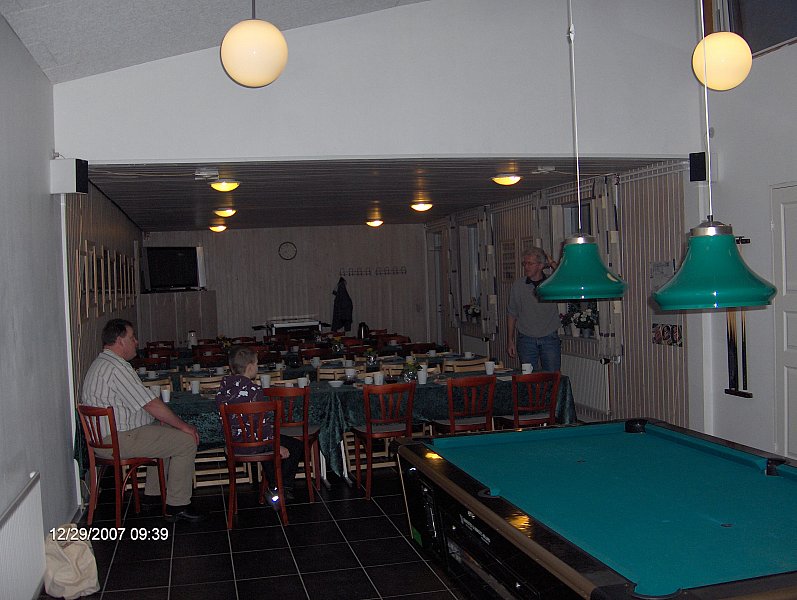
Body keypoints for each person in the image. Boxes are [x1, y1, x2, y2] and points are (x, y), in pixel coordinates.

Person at [81, 319, 205, 522]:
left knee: (167, 431)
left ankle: (153, 496)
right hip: (117, 440)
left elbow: (136, 405)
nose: (136, 342)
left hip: (108, 438)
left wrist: (164, 421)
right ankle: (178, 505)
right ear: (120, 341)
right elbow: (150, 404)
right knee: (186, 440)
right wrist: (184, 426)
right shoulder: (116, 368)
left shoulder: (101, 363)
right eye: (132, 337)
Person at [215, 345, 303, 501]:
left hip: (234, 445)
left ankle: (277, 487)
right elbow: (264, 428)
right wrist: (277, 446)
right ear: (250, 367)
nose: (257, 367)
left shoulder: (222, 391)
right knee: (295, 446)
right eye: (256, 364)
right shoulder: (255, 391)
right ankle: (281, 487)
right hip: (256, 444)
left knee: (268, 443)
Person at [507, 247, 562, 372]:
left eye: (530, 263)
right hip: (526, 338)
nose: (526, 267)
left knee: (552, 376)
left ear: (541, 265)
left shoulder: (551, 283)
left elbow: (566, 277)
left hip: (549, 337)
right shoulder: (518, 285)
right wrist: (510, 340)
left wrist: (552, 262)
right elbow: (512, 313)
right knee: (529, 378)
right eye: (525, 263)